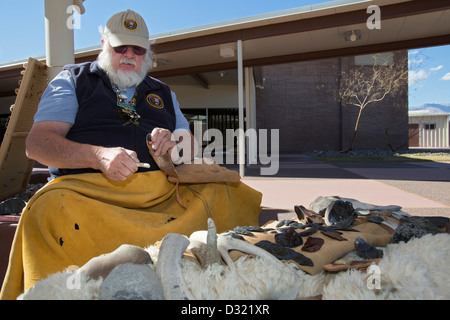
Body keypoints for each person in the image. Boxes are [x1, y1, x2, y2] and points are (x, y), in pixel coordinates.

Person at [0, 9, 262, 299]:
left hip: (160, 193)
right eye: (119, 47)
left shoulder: (163, 91)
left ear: (147, 53)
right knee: (46, 210)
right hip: (88, 195)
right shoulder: (72, 80)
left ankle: (225, 285)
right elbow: (37, 144)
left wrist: (173, 145)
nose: (128, 55)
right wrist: (97, 157)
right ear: (103, 45)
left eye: (137, 49)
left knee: (229, 190)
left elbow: (190, 150)